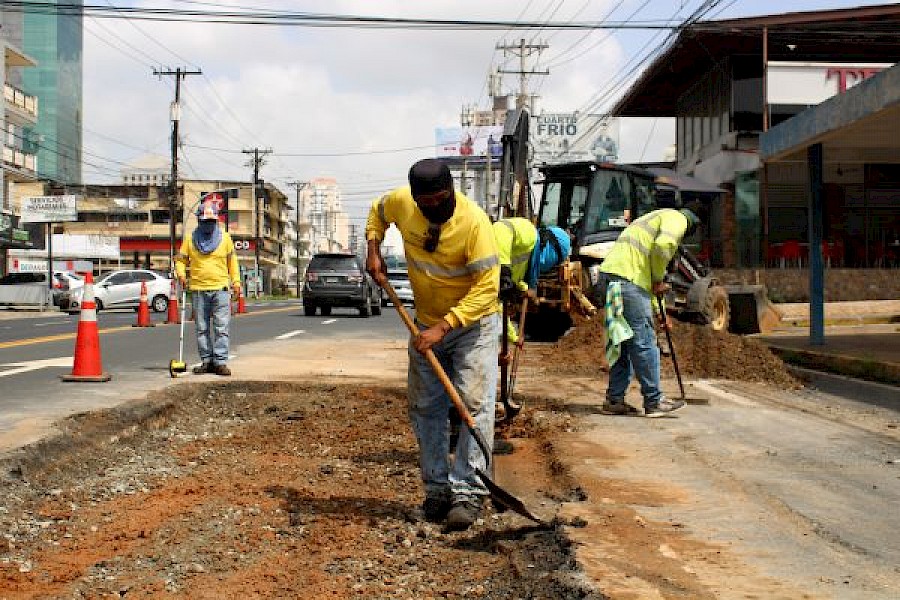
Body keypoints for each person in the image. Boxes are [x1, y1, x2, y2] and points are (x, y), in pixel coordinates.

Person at [365, 158, 500, 532]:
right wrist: (373, 247)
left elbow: (488, 289)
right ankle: (437, 489)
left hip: (473, 325)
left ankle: (468, 493)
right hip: (424, 324)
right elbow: (377, 212)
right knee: (426, 407)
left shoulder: (474, 224)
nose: (431, 209)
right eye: (425, 203)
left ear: (450, 192)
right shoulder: (403, 203)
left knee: (473, 404)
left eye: (439, 200)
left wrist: (445, 326)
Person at [597, 208, 700, 418]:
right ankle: (654, 401)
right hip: (630, 281)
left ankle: (614, 399)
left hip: (613, 279)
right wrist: (659, 277)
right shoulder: (677, 219)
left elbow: (648, 287)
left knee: (623, 342)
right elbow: (663, 246)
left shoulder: (650, 219)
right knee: (644, 342)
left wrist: (658, 311)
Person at [175, 198, 241, 377]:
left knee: (221, 327)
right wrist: (181, 274)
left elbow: (232, 262)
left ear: (216, 221)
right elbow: (180, 260)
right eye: (205, 221)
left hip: (220, 288)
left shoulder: (225, 238)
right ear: (199, 220)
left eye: (211, 221)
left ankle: (220, 362)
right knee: (202, 327)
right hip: (197, 289)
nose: (208, 225)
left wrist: (236, 282)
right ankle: (206, 361)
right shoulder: (190, 240)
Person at [492, 217, 571, 343]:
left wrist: (514, 337)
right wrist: (504, 268)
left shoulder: (524, 268)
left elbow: (498, 301)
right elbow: (501, 228)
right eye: (555, 260)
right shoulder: (529, 233)